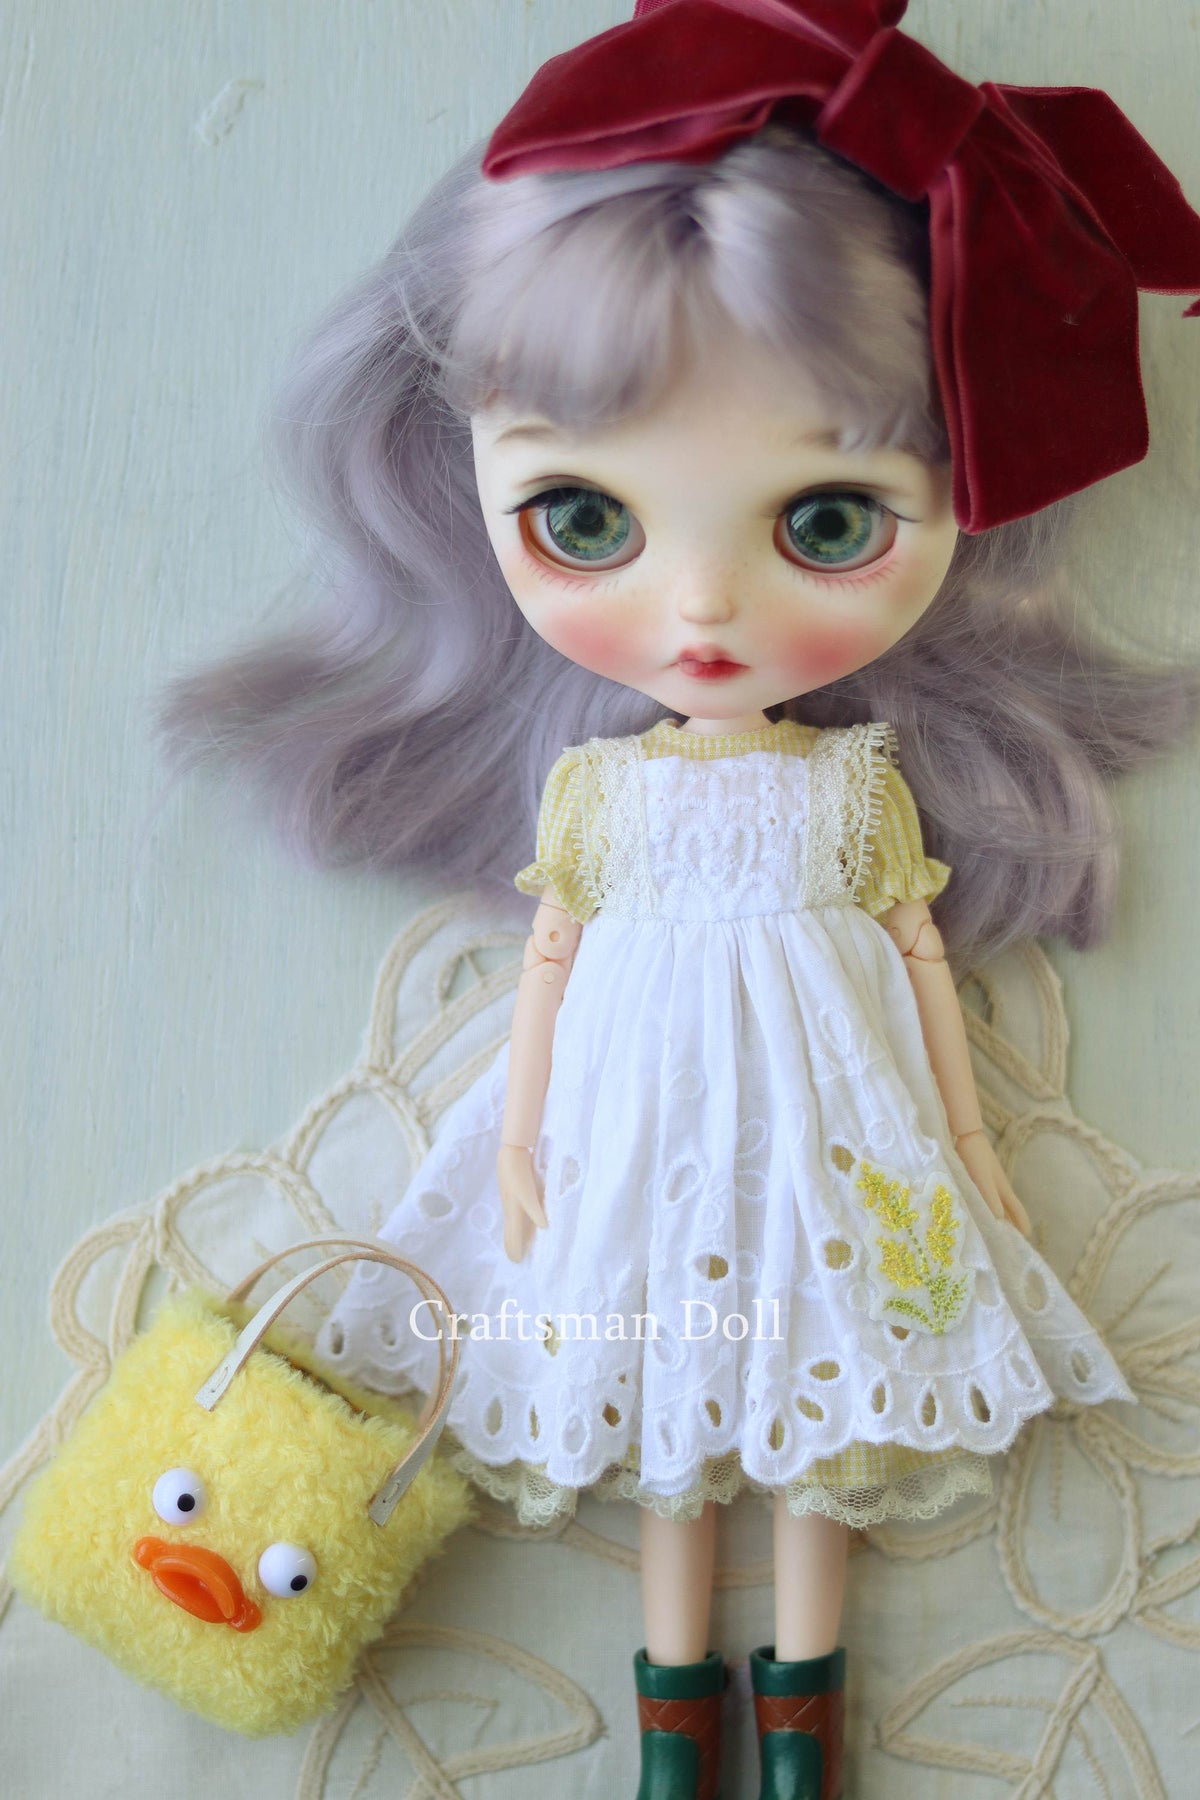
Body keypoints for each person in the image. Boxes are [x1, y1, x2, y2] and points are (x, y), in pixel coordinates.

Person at [163, 3, 1200, 1794]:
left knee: (819, 1420)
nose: (703, 611)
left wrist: (963, 1144)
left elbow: (914, 956)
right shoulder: (601, 792)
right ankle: (672, 1726)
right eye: (585, 519)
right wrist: (521, 1146)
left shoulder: (851, 784)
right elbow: (553, 964)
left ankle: (799, 1723)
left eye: (828, 523)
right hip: (637, 1133)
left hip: (826, 1137)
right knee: (665, 1425)